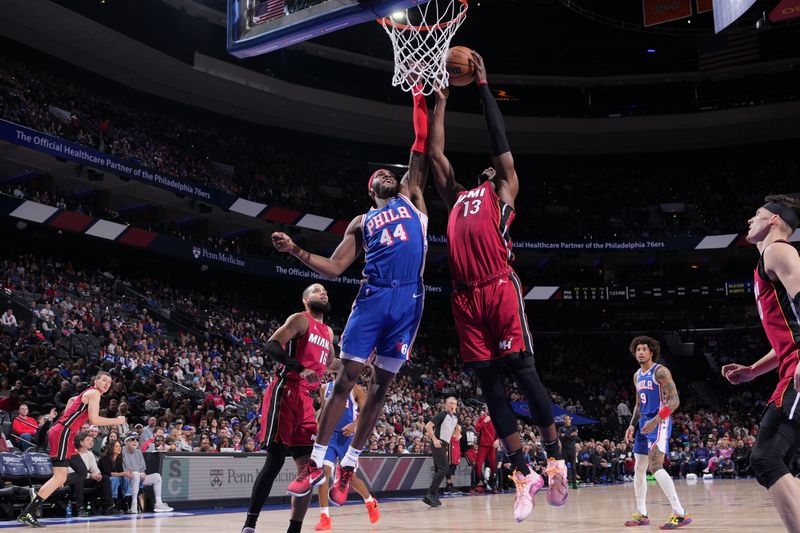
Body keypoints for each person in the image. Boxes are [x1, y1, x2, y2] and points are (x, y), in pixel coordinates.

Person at [428, 51, 566, 522]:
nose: (490, 166)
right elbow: (434, 157)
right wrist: (440, 103)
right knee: (490, 387)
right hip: (464, 295)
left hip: (497, 285)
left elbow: (498, 140)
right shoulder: (456, 196)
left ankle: (555, 458)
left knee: (522, 370)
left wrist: (484, 85)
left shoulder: (502, 188)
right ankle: (523, 474)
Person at [276, 89, 430, 508]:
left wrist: (423, 96)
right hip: (374, 297)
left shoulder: (412, 197)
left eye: (388, 173)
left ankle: (350, 465)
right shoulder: (363, 222)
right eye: (378, 176)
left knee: (381, 387)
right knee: (346, 378)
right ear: (371, 190)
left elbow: (421, 144)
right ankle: (315, 463)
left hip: (410, 299)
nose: (385, 175)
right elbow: (334, 267)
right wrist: (295, 251)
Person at [722, 195, 800, 533]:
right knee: (780, 461)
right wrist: (753, 370)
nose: (749, 220)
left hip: (795, 372)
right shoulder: (766, 263)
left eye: (757, 214)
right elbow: (789, 336)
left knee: (765, 457)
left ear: (773, 220)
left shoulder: (778, 250)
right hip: (789, 364)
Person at [241, 284, 334, 533]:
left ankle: (294, 529)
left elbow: (332, 363)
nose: (323, 293)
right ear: (306, 299)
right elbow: (271, 346)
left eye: (325, 291)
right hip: (286, 390)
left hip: (306, 399)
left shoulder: (328, 333)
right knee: (275, 460)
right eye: (316, 291)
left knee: (307, 470)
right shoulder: (299, 320)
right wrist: (299, 368)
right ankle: (249, 525)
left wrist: (361, 360)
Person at [17, 371, 126, 527]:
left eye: (109, 382)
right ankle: (30, 510)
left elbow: (71, 400)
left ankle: (45, 488)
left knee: (81, 471)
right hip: (63, 433)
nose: (107, 384)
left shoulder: (87, 392)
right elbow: (94, 419)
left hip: (66, 435)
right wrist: (117, 420)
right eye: (104, 380)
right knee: (59, 477)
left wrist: (67, 414)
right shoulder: (94, 393)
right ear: (95, 381)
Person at [624, 336, 691, 529]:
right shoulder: (637, 375)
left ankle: (680, 513)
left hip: (659, 422)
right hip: (644, 422)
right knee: (639, 467)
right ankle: (642, 513)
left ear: (651, 352)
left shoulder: (660, 372)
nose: (641, 352)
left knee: (655, 465)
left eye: (644, 349)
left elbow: (675, 401)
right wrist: (631, 424)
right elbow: (638, 404)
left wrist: (655, 420)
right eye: (637, 350)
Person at [314, 361, 379, 531]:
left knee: (350, 479)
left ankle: (370, 502)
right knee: (323, 474)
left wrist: (354, 425)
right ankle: (325, 517)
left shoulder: (356, 389)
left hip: (346, 438)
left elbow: (366, 414)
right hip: (328, 436)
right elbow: (322, 411)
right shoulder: (324, 388)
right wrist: (316, 426)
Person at [68, 431, 120, 516]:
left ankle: (108, 507)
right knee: (79, 479)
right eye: (88, 440)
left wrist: (97, 475)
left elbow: (94, 469)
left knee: (105, 478)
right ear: (81, 442)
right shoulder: (72, 453)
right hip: (73, 480)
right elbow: (70, 471)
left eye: (92, 440)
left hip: (87, 478)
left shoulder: (90, 454)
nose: (91, 442)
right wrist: (89, 476)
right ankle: (80, 508)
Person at [121, 432, 173, 513]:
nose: (135, 442)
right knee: (135, 474)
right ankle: (133, 505)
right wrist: (137, 473)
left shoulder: (138, 452)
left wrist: (143, 475)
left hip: (139, 478)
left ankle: (158, 503)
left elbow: (142, 470)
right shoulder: (122, 451)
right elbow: (123, 470)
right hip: (127, 478)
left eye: (137, 440)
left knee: (157, 477)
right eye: (132, 439)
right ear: (126, 441)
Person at [422, 397, 459, 506]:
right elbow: (428, 426)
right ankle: (430, 493)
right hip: (437, 443)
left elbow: (454, 431)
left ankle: (432, 495)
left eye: (454, 403)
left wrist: (457, 433)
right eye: (450, 403)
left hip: (444, 445)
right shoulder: (442, 415)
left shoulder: (455, 418)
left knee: (440, 469)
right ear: (446, 405)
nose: (452, 405)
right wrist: (434, 439)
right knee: (444, 468)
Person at [100, 440, 131, 509]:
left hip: (116, 478)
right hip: (105, 479)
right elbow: (108, 473)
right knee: (114, 479)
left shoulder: (119, 458)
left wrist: (126, 474)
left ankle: (126, 499)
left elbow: (120, 472)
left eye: (120, 446)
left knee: (126, 478)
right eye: (116, 446)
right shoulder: (105, 458)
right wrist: (123, 473)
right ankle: (112, 501)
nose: (119, 448)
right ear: (111, 448)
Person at [558, 415, 579, 489]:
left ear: (570, 420)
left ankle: (574, 484)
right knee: (564, 468)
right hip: (564, 450)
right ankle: (564, 483)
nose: (567, 421)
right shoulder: (561, 428)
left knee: (573, 468)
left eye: (568, 419)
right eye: (565, 419)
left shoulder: (574, 428)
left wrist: (565, 435)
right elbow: (560, 438)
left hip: (572, 450)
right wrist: (570, 435)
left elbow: (574, 437)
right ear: (564, 420)